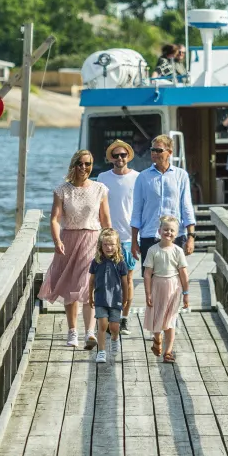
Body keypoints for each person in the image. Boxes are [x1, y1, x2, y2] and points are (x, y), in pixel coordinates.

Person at [38, 149, 111, 349]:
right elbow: (54, 219)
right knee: (71, 286)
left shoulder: (100, 189)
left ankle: (89, 332)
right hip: (68, 239)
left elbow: (105, 220)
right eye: (80, 164)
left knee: (87, 284)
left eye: (87, 164)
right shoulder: (62, 190)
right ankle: (72, 331)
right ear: (74, 165)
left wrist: (110, 245)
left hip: (92, 239)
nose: (84, 168)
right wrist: (56, 240)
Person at [95, 139, 140, 334]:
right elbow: (96, 207)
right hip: (108, 237)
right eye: (116, 155)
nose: (119, 158)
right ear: (111, 158)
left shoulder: (138, 177)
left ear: (128, 156)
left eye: (123, 155)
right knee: (105, 280)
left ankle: (124, 318)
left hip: (129, 237)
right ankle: (107, 318)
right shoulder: (102, 177)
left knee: (127, 280)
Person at [130, 134, 196, 265]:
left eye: (158, 150)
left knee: (175, 279)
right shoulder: (142, 177)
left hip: (175, 235)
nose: (154, 153)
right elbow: (137, 210)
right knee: (150, 279)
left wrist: (191, 237)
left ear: (169, 152)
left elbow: (186, 207)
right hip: (149, 234)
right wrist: (133, 241)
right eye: (152, 150)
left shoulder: (181, 175)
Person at [143, 215, 189, 362]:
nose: (168, 233)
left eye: (172, 230)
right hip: (157, 286)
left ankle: (168, 351)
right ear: (159, 230)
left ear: (176, 234)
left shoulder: (178, 251)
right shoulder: (153, 250)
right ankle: (157, 339)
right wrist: (148, 292)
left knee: (170, 320)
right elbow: (147, 273)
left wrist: (186, 293)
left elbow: (183, 273)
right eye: (166, 229)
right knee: (157, 318)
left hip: (173, 287)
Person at [88, 229, 131, 364]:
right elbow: (91, 281)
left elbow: (125, 283)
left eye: (112, 244)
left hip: (116, 299)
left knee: (114, 327)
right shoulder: (96, 262)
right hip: (100, 298)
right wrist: (90, 296)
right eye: (105, 244)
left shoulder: (121, 263)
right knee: (102, 325)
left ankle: (114, 339)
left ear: (117, 245)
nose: (109, 247)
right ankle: (101, 352)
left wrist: (125, 298)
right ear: (101, 246)